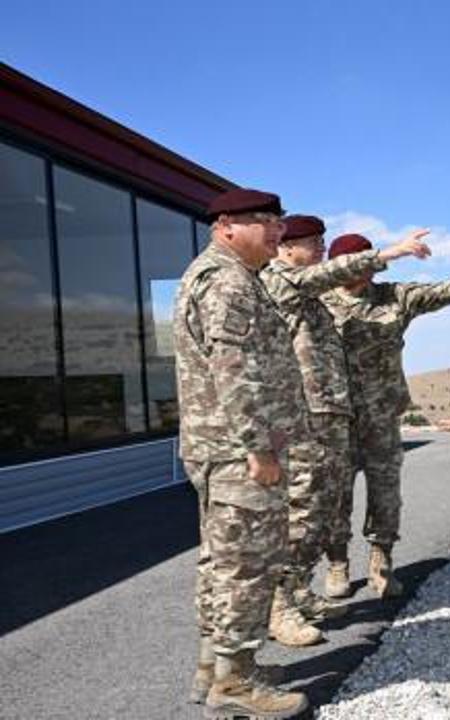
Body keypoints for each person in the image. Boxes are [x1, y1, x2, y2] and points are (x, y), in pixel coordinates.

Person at [258, 215, 431, 644]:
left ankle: (298, 593)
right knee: (304, 510)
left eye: (321, 240)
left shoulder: (312, 290)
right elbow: (333, 272)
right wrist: (388, 253)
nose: (320, 246)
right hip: (307, 417)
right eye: (312, 242)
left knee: (322, 508)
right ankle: (279, 606)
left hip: (333, 414)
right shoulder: (282, 280)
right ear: (286, 249)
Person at [321, 232, 450, 598]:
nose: (363, 272)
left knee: (385, 492)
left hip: (381, 413)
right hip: (334, 417)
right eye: (355, 263)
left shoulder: (393, 296)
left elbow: (439, 292)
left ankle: (381, 561)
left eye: (367, 261)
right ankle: (337, 564)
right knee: (335, 496)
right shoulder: (316, 302)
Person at [173, 188, 308, 718]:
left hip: (222, 447)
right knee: (248, 566)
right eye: (265, 221)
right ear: (225, 225)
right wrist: (258, 449)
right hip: (239, 451)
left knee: (223, 562)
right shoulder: (227, 283)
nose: (276, 230)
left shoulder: (229, 277)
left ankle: (214, 668)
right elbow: (235, 374)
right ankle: (236, 686)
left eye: (279, 222)